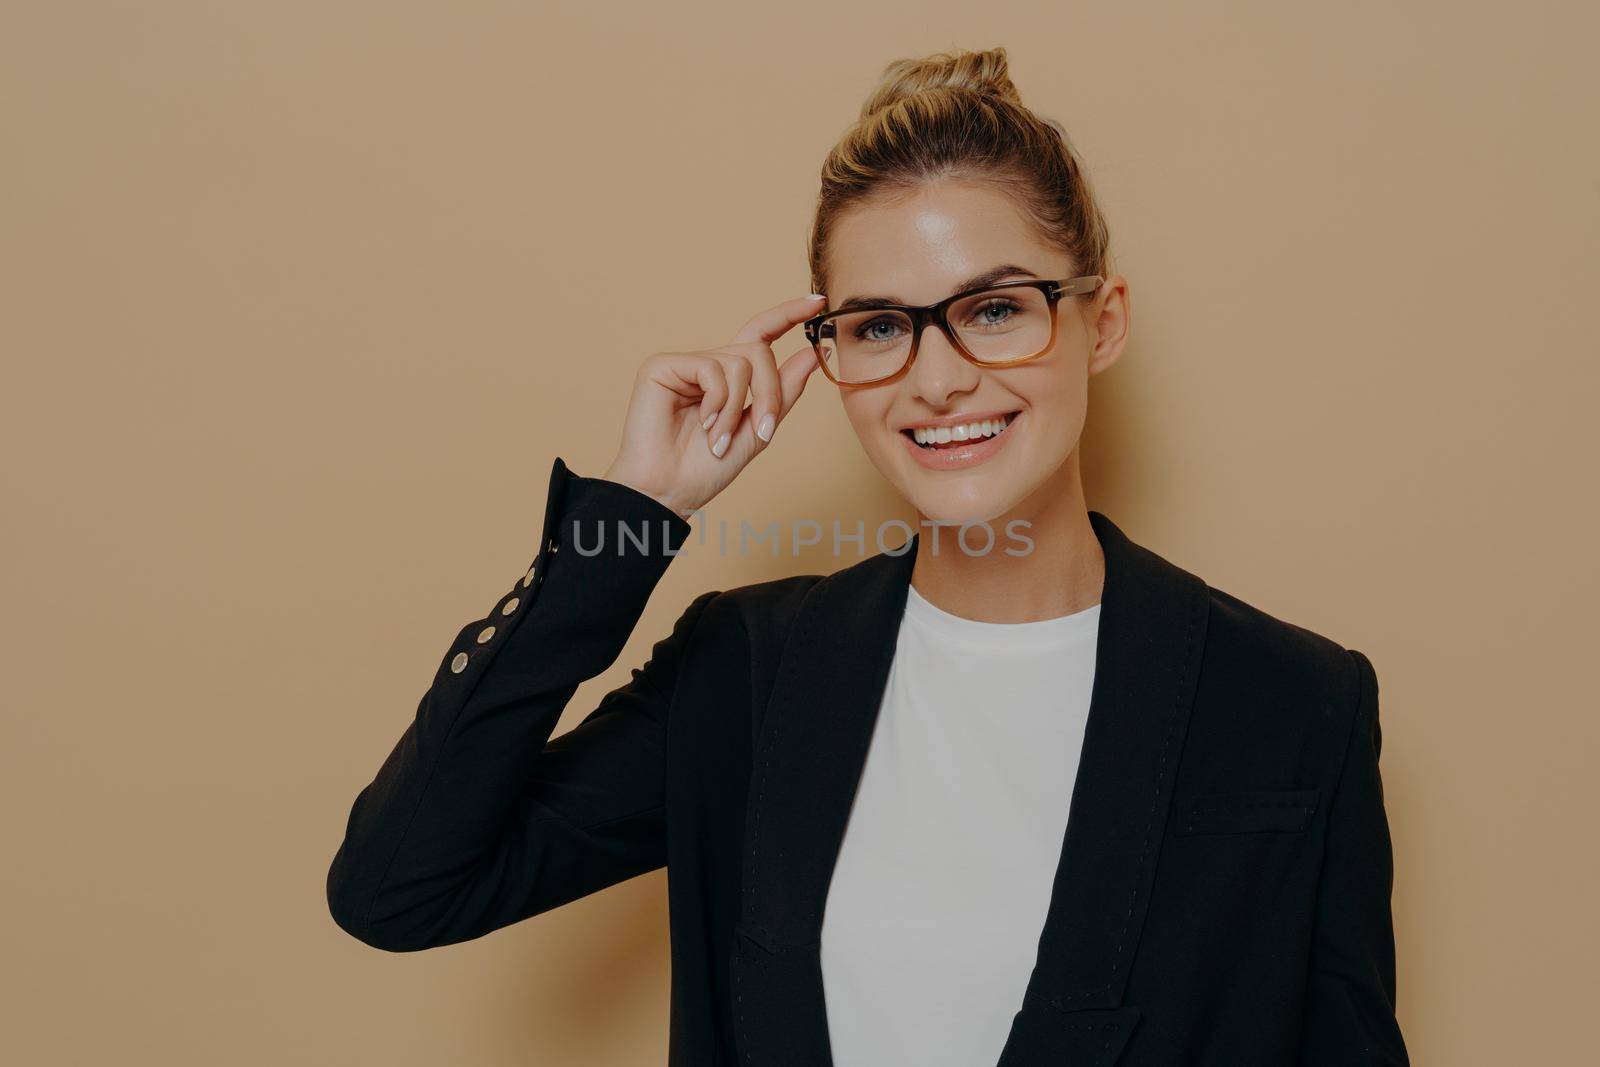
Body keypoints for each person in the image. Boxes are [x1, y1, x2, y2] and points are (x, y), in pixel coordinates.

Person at [326, 46, 1408, 1066]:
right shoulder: (747, 669)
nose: (934, 379)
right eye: (881, 325)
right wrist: (630, 516)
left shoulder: (1294, 701)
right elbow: (400, 885)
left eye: (993, 308)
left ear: (1103, 321)